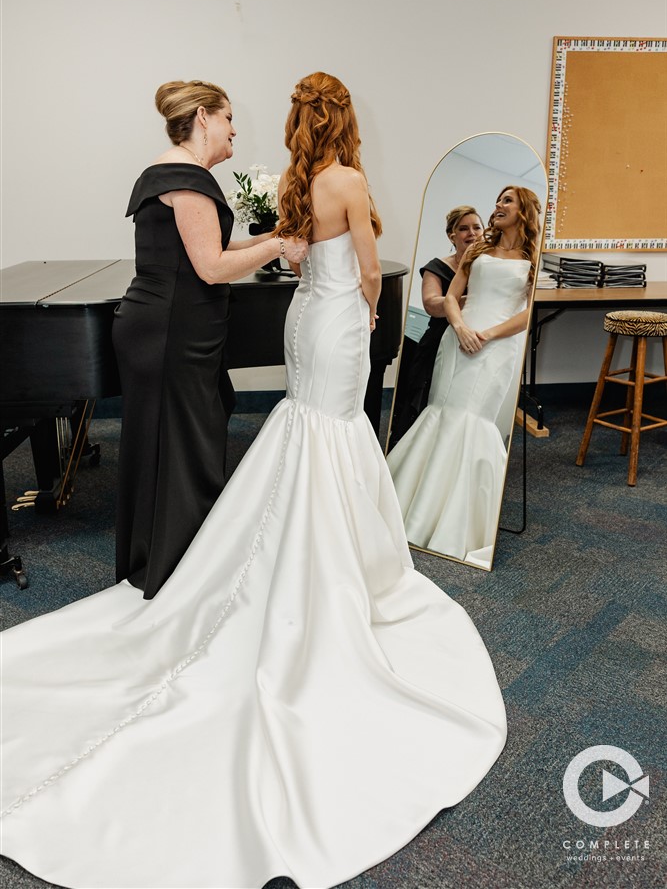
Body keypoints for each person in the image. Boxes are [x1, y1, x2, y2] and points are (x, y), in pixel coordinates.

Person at [0, 74, 506, 889]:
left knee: (304, 430)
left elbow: (294, 252)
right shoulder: (338, 179)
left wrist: (315, 273)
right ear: (344, 119)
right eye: (226, 118)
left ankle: (240, 550)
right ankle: (336, 565)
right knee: (334, 432)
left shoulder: (303, 181)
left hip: (309, 319)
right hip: (335, 318)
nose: (236, 127)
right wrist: (372, 313)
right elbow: (370, 271)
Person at [112, 79, 308, 598]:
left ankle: (157, 560)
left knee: (168, 444)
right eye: (227, 119)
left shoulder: (169, 173)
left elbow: (209, 248)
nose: (233, 129)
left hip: (166, 326)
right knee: (181, 448)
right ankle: (176, 571)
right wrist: (278, 248)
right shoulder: (188, 178)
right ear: (203, 118)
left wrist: (271, 237)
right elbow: (213, 266)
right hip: (173, 332)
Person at [387, 186, 541, 567]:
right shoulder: (477, 250)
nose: (498, 206)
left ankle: (454, 520)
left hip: (497, 346)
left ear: (524, 210)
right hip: (458, 342)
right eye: (498, 200)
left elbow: (528, 313)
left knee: (471, 420)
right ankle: (409, 507)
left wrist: (486, 334)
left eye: (507, 200)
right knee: (441, 411)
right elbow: (452, 297)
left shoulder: (533, 257)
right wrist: (460, 329)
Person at [388, 206, 484, 447]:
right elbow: (431, 304)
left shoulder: (489, 266)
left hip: (478, 340)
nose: (471, 233)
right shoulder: (437, 266)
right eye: (463, 229)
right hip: (440, 340)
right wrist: (469, 301)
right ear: (451, 236)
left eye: (476, 227)